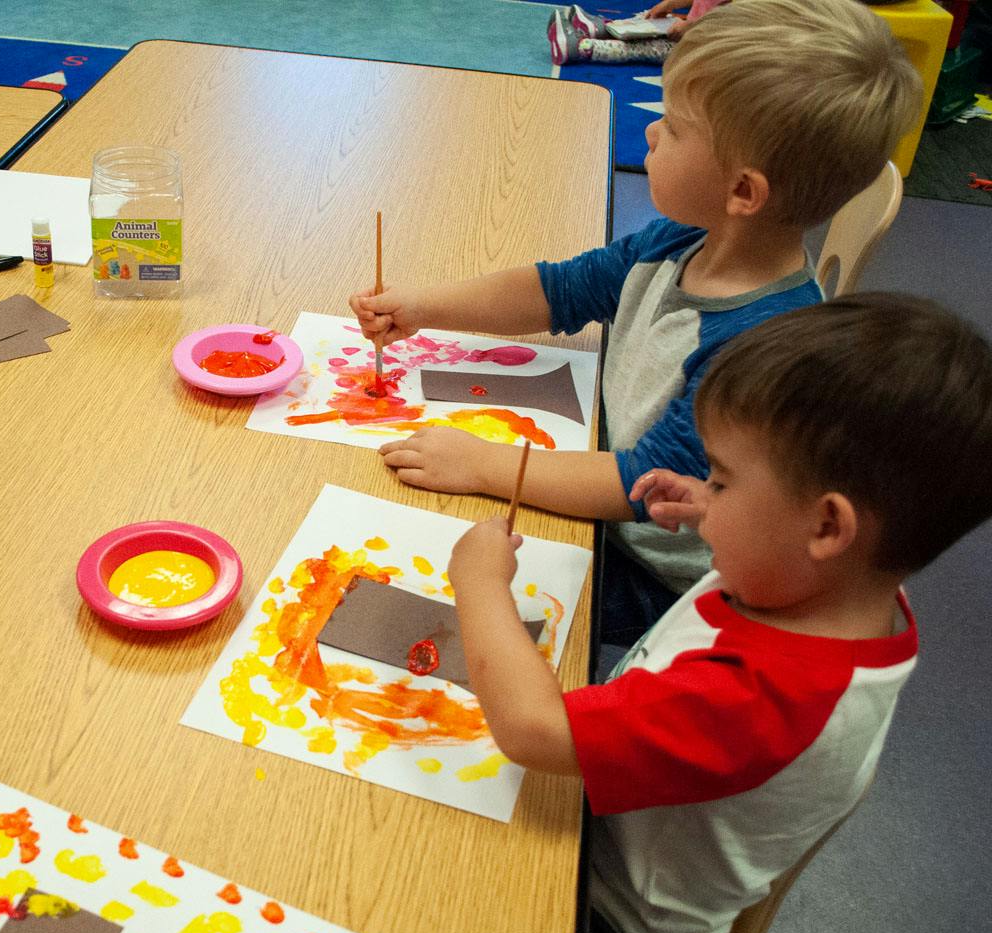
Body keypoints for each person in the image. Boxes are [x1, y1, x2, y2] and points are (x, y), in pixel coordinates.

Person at [444, 293, 992, 933]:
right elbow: (777, 547)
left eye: (722, 476)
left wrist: (475, 581)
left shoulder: (763, 697)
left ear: (825, 525)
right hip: (615, 814)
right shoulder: (838, 586)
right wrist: (710, 505)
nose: (709, 491)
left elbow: (533, 732)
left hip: (606, 923)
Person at [350, 0, 922, 645]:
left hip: (660, 584)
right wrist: (426, 308)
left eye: (673, 128)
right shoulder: (684, 239)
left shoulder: (759, 349)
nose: (649, 134)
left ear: (743, 192)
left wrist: (483, 465)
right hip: (601, 484)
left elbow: (637, 485)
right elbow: (560, 289)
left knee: (417, 588)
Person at [548, 2, 726, 66]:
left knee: (647, 47)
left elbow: (734, 23)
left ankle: (581, 48)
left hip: (707, 47)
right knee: (653, 19)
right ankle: (606, 28)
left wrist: (690, 26)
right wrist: (671, 4)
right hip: (694, 26)